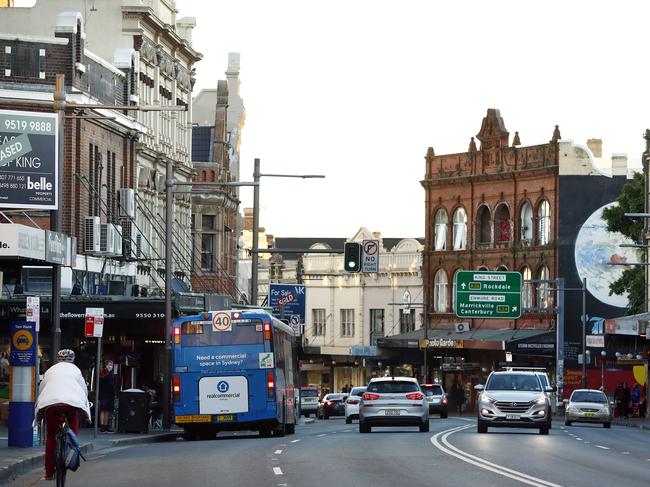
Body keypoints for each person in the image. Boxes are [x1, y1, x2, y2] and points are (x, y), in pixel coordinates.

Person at [34, 349, 91, 481]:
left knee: (51, 435)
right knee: (73, 426)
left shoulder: (51, 371)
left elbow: (42, 389)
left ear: (58, 359)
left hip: (51, 405)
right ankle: (72, 450)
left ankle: (48, 473)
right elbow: (83, 390)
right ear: (73, 359)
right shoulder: (76, 371)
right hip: (70, 405)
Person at [98, 360, 115, 432]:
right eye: (109, 364)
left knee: (107, 410)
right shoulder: (103, 372)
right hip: (103, 394)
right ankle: (102, 426)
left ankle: (106, 425)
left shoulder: (112, 373)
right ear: (106, 365)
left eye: (112, 364)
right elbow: (102, 380)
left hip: (110, 394)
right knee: (103, 410)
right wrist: (107, 372)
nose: (111, 366)